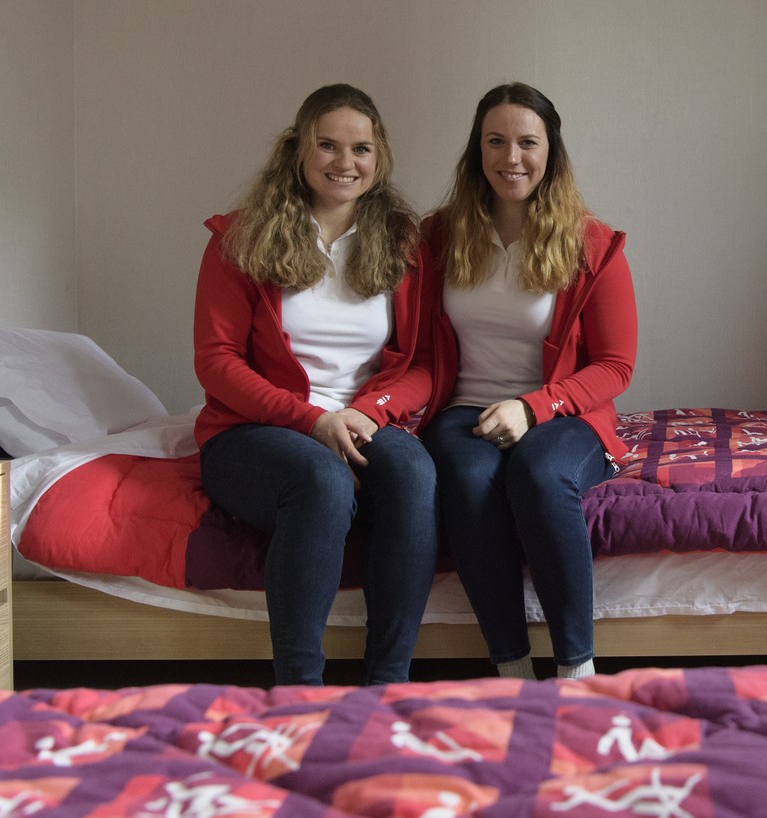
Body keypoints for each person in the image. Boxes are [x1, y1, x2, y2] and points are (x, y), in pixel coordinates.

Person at [192, 83, 438, 686]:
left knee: (412, 472)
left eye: (361, 149)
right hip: (255, 430)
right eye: (327, 146)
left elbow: (425, 365)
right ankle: (299, 690)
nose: (344, 163)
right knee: (323, 480)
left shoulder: (404, 244)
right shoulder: (240, 239)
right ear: (298, 151)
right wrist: (312, 421)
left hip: (363, 420)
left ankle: (388, 684)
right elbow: (216, 360)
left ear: (379, 159)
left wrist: (371, 413)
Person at [416, 82, 637, 680]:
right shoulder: (437, 237)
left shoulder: (592, 244)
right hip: (462, 412)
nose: (511, 158)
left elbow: (616, 366)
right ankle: (510, 667)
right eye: (496, 141)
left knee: (539, 475)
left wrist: (533, 408)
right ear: (477, 150)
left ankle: (576, 668)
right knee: (468, 479)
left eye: (527, 142)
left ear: (551, 152)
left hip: (561, 414)